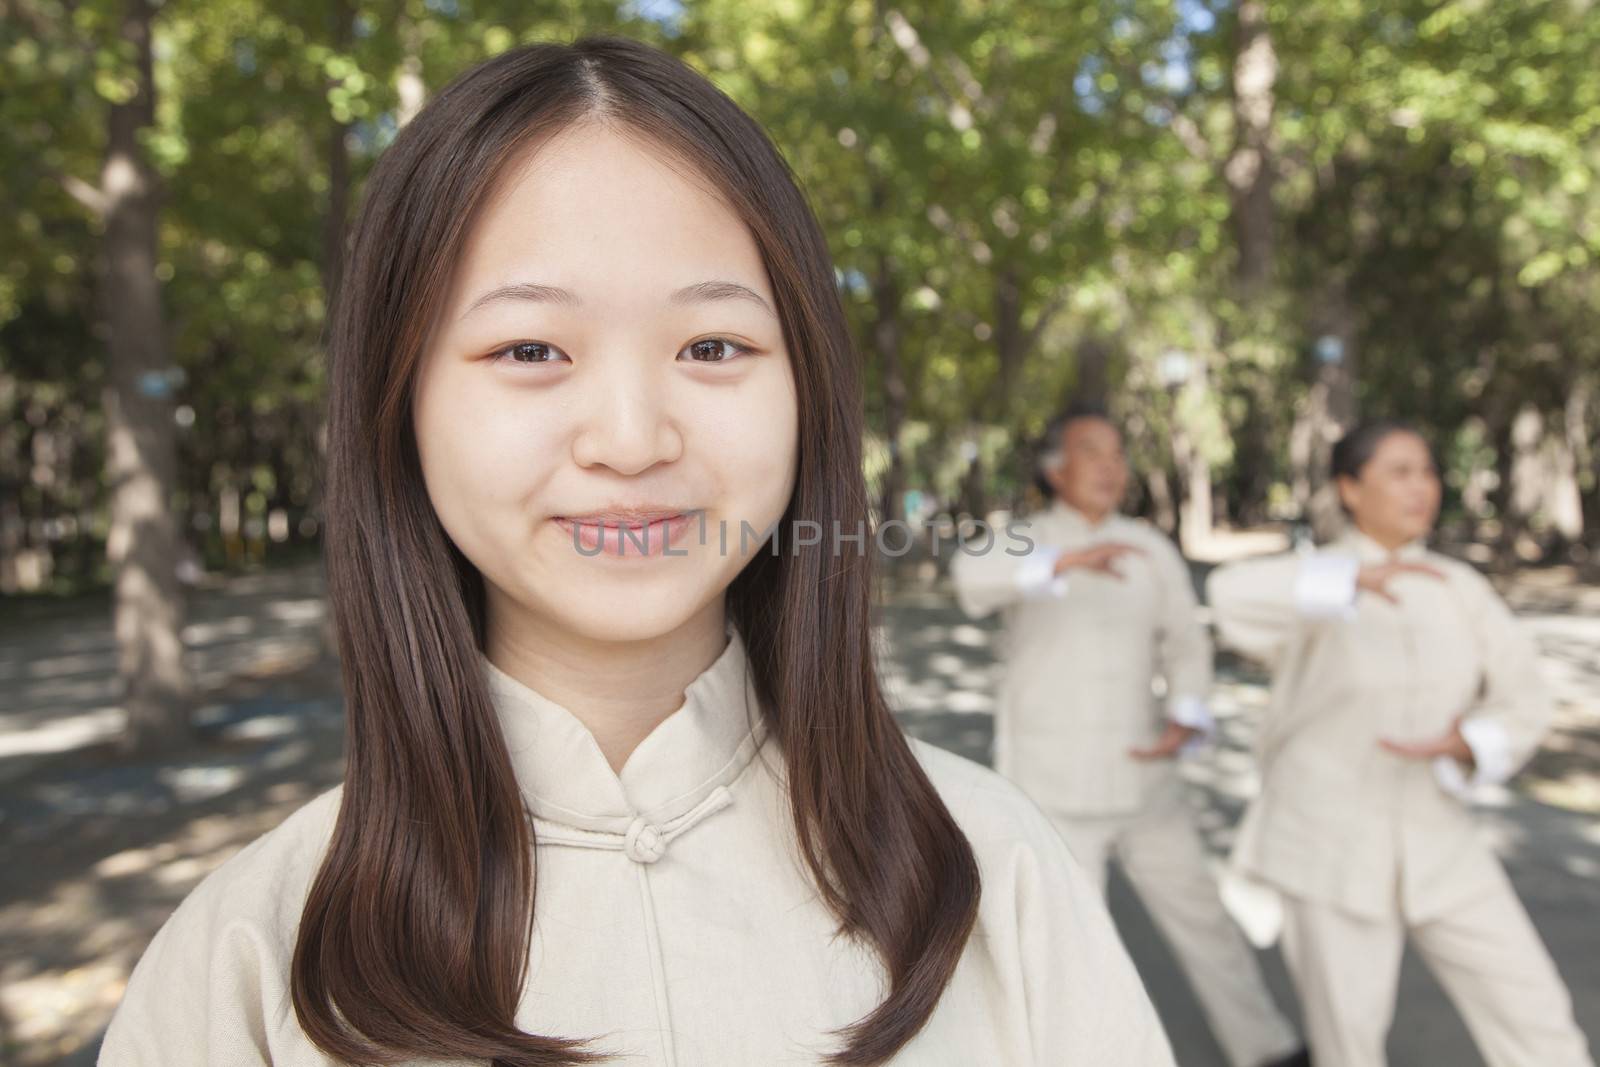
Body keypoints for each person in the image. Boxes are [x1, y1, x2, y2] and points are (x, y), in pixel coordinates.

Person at [97, 37, 1174, 1067]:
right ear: (400, 399)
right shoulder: (244, 960)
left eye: (713, 346)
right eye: (529, 348)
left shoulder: (993, 869)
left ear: (806, 392)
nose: (630, 440)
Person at [1206, 420, 1594, 1067]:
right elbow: (1227, 597)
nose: (1421, 487)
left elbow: (1524, 695)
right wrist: (1345, 582)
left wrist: (1471, 740)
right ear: (1350, 488)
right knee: (1349, 1046)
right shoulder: (1314, 582)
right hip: (1325, 844)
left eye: (1428, 471)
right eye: (1399, 471)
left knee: (1537, 1016)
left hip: (1438, 837)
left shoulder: (1458, 584)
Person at [949, 407, 1307, 1067]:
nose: (1111, 466)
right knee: (1066, 949)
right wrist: (1067, 560)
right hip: (1053, 786)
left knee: (1205, 921)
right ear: (1055, 470)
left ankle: (1268, 1047)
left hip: (1145, 774)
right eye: (1093, 452)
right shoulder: (1023, 540)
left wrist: (1189, 711)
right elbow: (972, 580)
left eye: (1118, 454)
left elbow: (1186, 639)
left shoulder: (1150, 548)